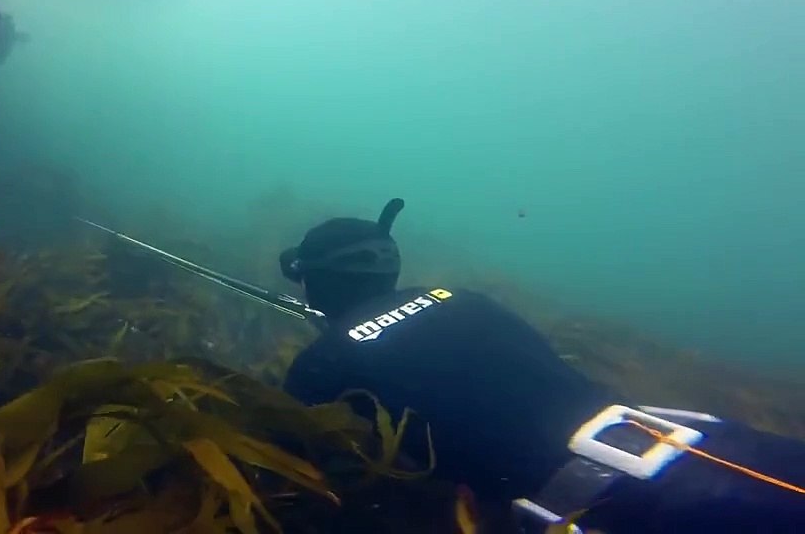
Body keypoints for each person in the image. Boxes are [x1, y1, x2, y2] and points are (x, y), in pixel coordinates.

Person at [279, 198, 805, 533]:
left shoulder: (321, 364)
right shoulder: (462, 298)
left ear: (313, 278)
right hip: (717, 449)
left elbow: (305, 455)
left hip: (637, 509)